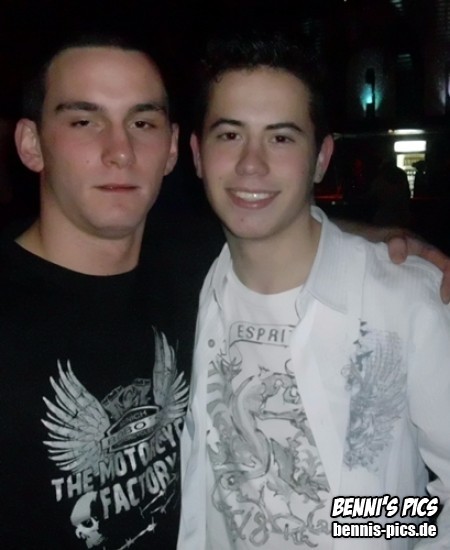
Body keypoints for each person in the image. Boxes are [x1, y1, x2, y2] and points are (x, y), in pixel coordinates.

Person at [178, 31, 450, 549]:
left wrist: (362, 523)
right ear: (196, 154)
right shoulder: (182, 284)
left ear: (322, 158)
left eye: (281, 138)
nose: (251, 164)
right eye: (229, 135)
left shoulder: (406, 301)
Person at [0, 34, 190, 549]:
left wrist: (382, 248)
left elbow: (291, 239)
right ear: (31, 144)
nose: (120, 151)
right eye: (84, 122)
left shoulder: (201, 269)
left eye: (142, 123)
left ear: (172, 148)